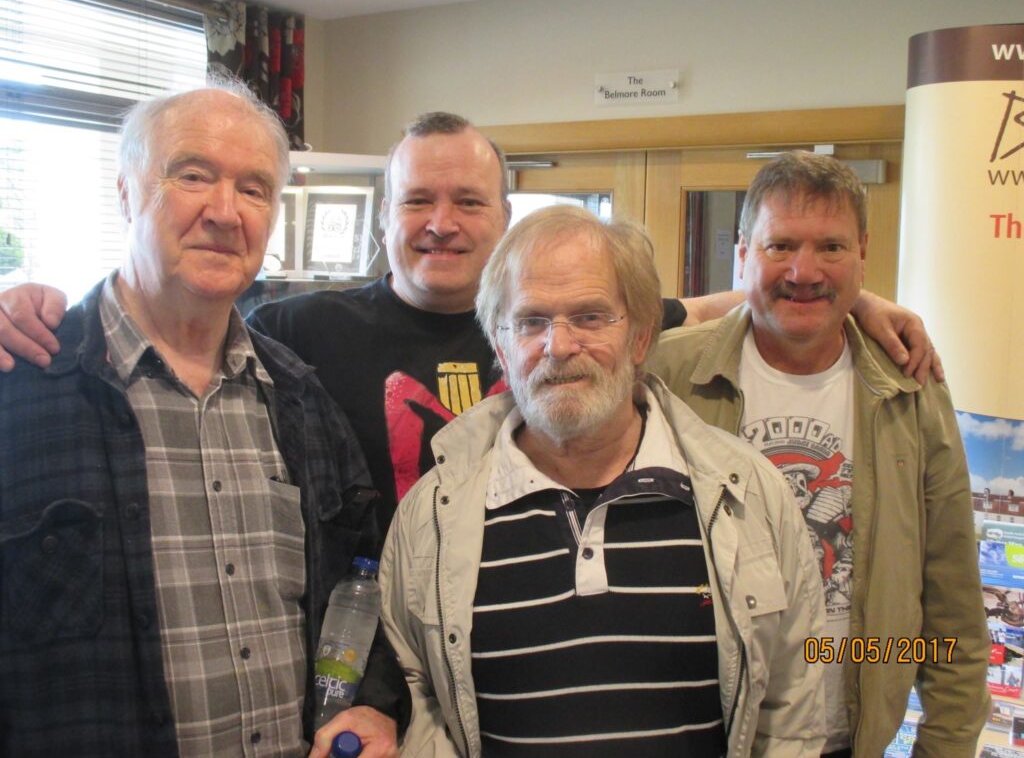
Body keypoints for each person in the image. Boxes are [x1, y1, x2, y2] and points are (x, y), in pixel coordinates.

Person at [0, 114, 943, 539]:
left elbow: (715, 302)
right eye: (417, 200)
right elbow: (172, 315)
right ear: (384, 218)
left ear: (504, 215)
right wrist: (33, 307)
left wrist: (855, 299)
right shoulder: (291, 332)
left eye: (468, 200)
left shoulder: (560, 330)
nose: (442, 222)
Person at [0, 83, 404, 758]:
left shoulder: (304, 403)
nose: (225, 211)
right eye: (194, 176)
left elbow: (363, 590)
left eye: (254, 188)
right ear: (127, 190)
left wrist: (372, 704)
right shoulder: (23, 392)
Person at [382, 205, 826, 757]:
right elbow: (417, 698)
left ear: (640, 338)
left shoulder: (747, 496)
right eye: (531, 321)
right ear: (501, 347)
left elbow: (792, 708)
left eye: (590, 317)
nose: (559, 345)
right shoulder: (431, 517)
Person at [648, 151, 989, 758]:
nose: (804, 271)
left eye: (830, 248)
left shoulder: (912, 385)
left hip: (844, 731)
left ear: (863, 251)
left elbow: (952, 592)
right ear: (744, 253)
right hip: (694, 726)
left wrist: (946, 742)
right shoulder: (669, 371)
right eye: (781, 246)